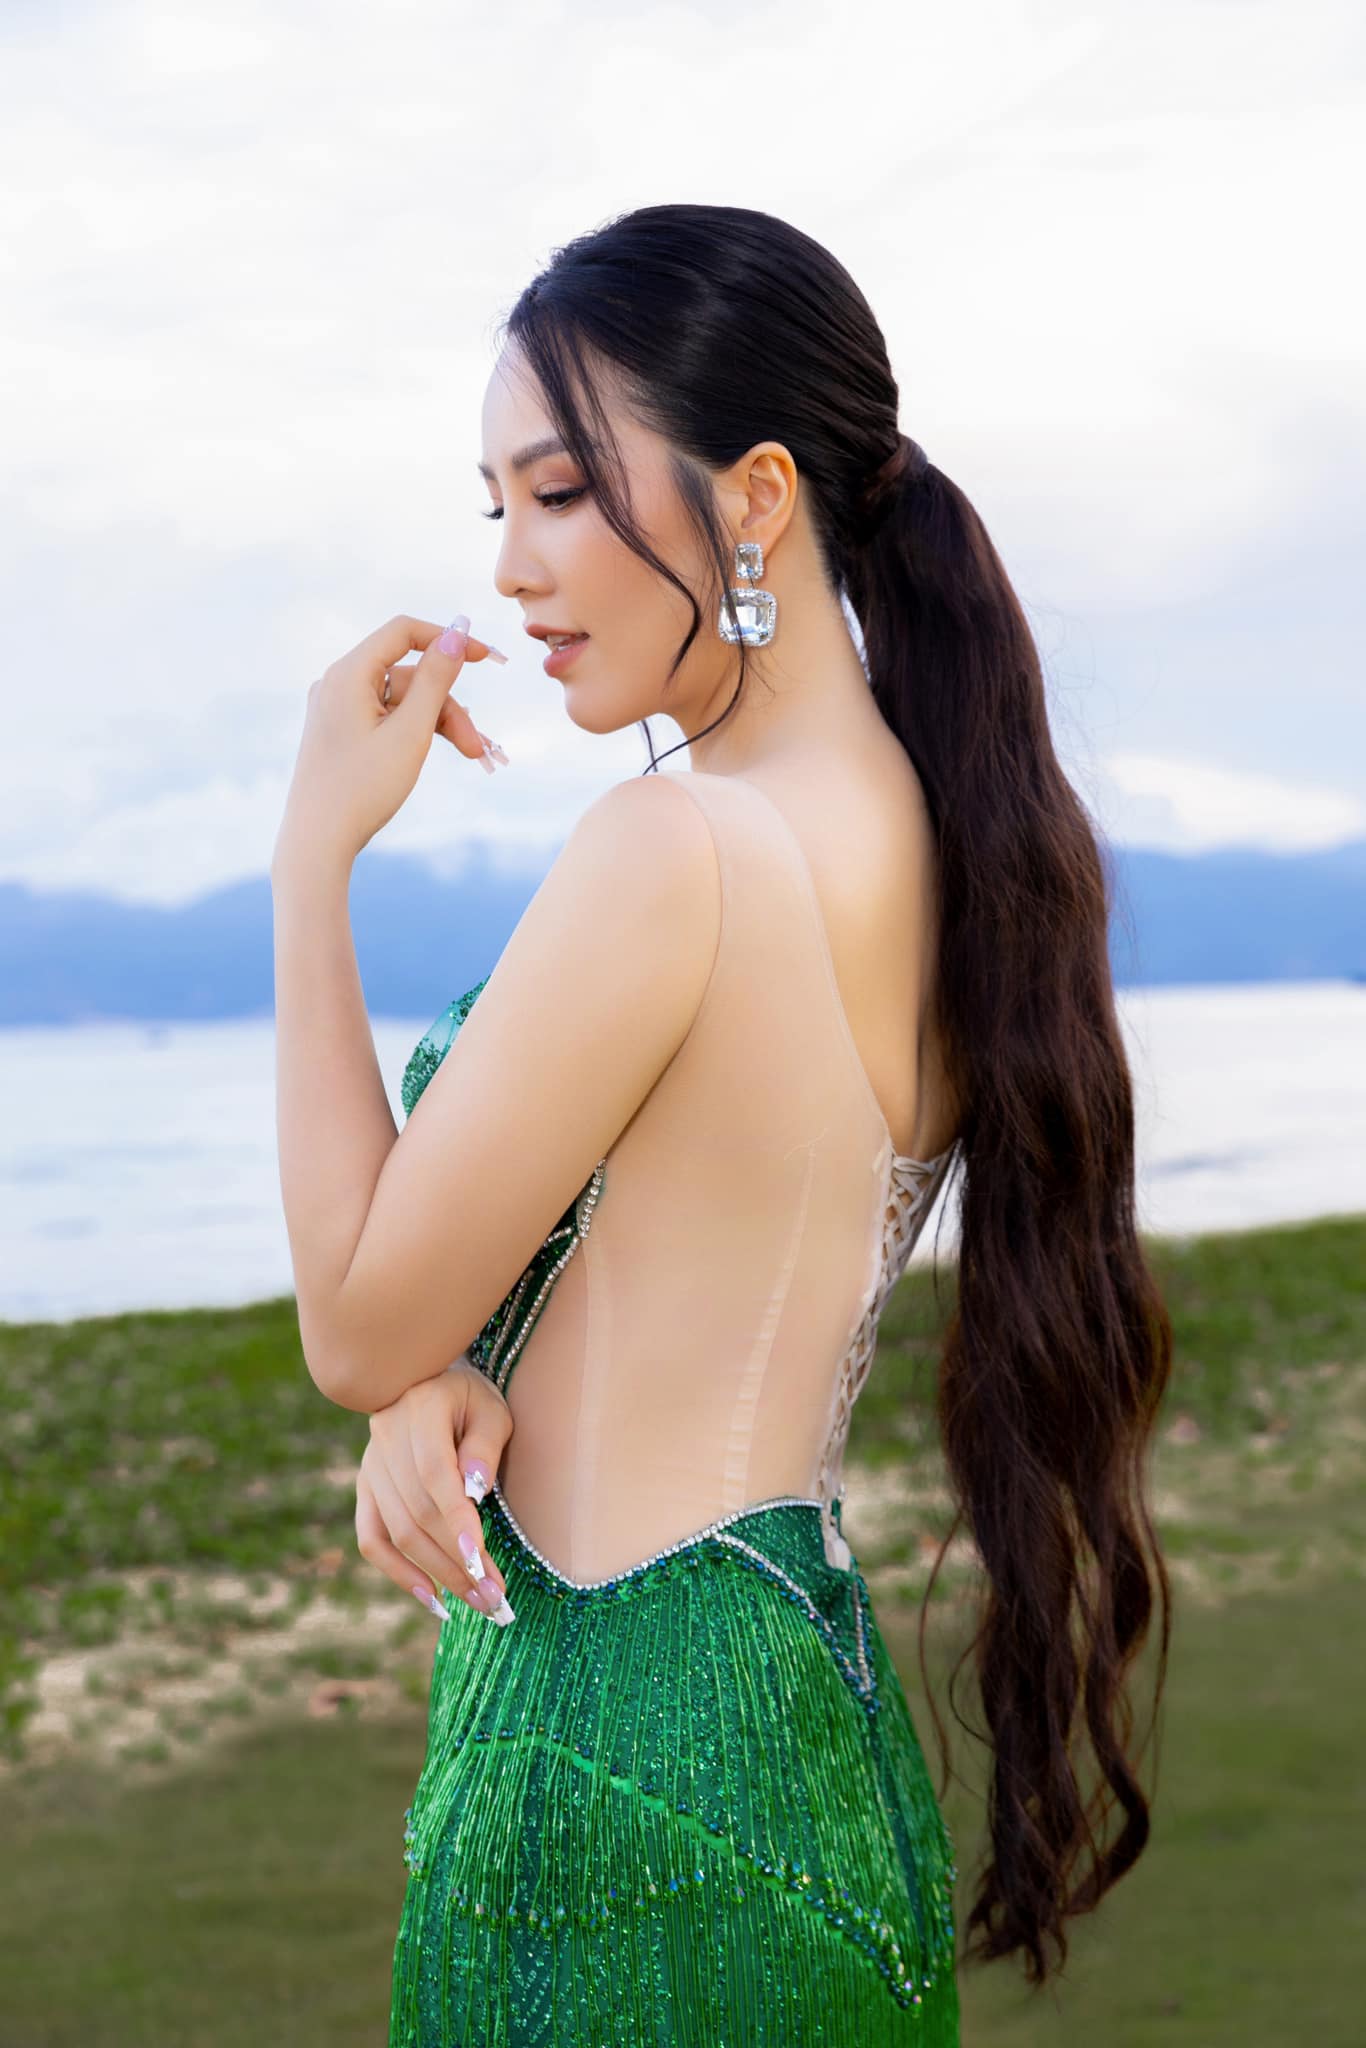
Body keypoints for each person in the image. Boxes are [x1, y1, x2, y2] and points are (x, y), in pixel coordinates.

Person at [271, 202, 1173, 2047]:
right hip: (797, 1716)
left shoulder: (675, 848)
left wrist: (307, 859)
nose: (512, 568)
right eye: (494, 505)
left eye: (559, 492)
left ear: (756, 496)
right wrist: (452, 1385)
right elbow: (665, 1233)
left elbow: (355, 1320)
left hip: (612, 1739)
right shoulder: (945, 843)